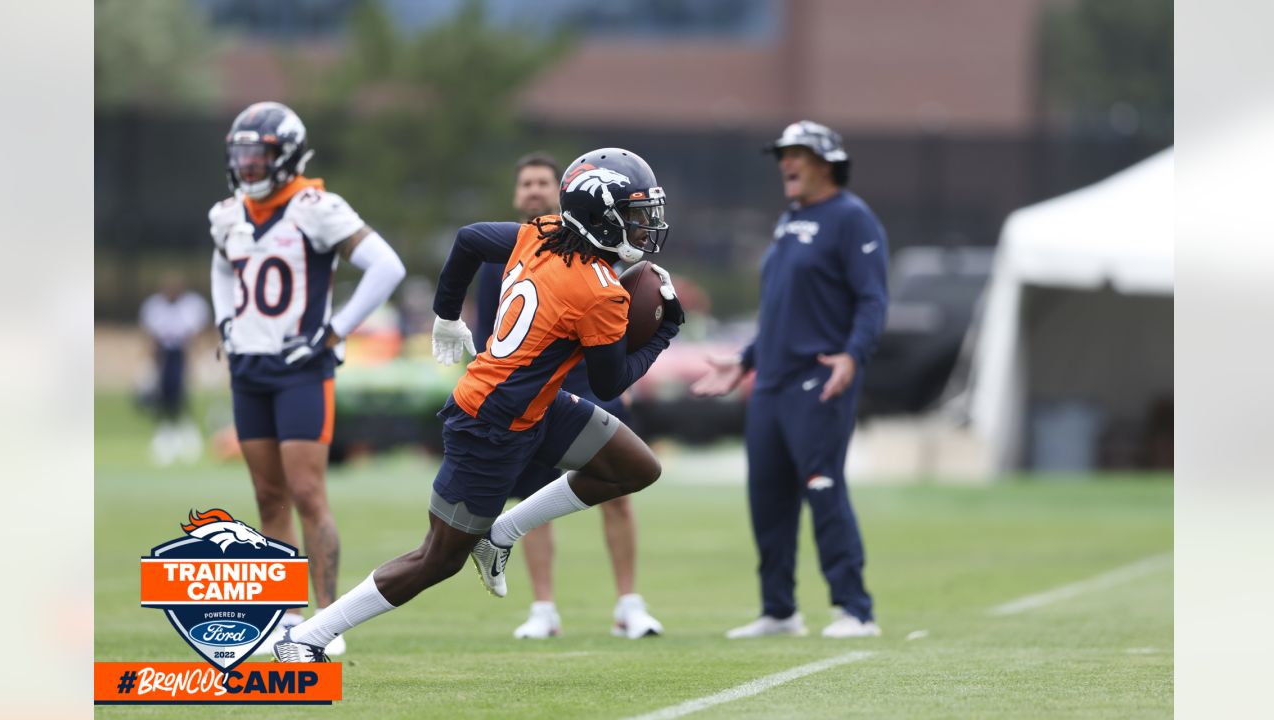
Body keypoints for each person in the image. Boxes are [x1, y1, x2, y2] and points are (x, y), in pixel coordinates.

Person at [273, 147, 683, 662]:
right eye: (633, 215)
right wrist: (663, 331)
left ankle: (502, 534)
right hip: (487, 424)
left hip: (533, 401)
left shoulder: (542, 232)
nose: (644, 227)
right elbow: (610, 381)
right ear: (599, 216)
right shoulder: (599, 292)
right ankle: (306, 636)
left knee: (636, 467)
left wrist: (446, 315)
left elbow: (468, 239)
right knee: (436, 559)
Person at [208, 101, 406, 656]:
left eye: (258, 153)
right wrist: (226, 321)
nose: (247, 164)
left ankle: (327, 619)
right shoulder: (227, 213)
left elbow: (386, 265)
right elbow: (223, 266)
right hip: (249, 368)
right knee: (268, 495)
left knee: (307, 492)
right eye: (241, 153)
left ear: (287, 154)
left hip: (300, 369)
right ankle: (285, 614)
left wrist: (335, 331)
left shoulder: (315, 207)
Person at [692, 121, 888, 639]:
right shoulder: (789, 220)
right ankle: (779, 611)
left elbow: (872, 299)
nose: (786, 163)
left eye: (796, 153)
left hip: (818, 381)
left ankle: (855, 610)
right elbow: (783, 311)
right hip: (771, 385)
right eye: (782, 154)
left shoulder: (852, 219)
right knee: (767, 498)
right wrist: (746, 359)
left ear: (826, 161)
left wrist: (853, 356)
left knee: (823, 489)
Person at [474, 152, 662, 639]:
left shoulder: (604, 245)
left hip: (586, 380)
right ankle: (543, 607)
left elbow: (618, 316)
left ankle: (628, 602)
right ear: (518, 194)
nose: (534, 190)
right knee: (532, 495)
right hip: (535, 389)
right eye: (527, 183)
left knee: (620, 486)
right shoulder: (510, 247)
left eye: (543, 182)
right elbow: (488, 337)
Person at [138, 271, 210, 466]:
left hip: (181, 354)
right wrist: (149, 365)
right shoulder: (154, 306)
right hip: (163, 354)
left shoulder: (192, 305)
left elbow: (196, 335)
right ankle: (166, 434)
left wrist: (197, 361)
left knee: (179, 395)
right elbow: (151, 338)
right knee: (161, 398)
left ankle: (185, 435)